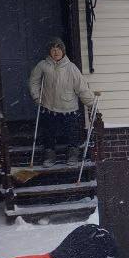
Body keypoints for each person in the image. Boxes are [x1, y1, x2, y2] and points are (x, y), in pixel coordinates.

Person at [28, 37, 100, 166]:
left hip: (69, 108)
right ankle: (49, 157)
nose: (56, 52)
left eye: (59, 49)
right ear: (49, 52)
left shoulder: (71, 68)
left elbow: (82, 88)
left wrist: (91, 104)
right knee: (49, 134)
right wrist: (36, 96)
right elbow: (34, 82)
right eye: (53, 49)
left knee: (71, 133)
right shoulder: (43, 65)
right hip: (48, 106)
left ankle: (73, 155)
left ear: (63, 51)